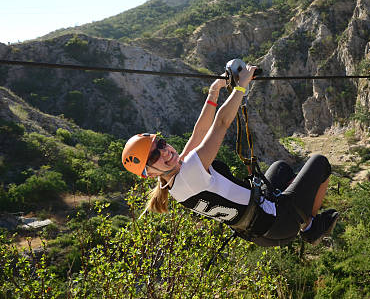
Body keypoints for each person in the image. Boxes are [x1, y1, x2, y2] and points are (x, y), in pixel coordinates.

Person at [121, 63, 338, 246]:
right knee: (320, 163)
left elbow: (200, 132)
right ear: (148, 174)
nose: (163, 151)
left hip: (259, 230)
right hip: (277, 223)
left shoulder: (176, 178)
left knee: (281, 168)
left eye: (160, 143)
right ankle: (310, 227)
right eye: (153, 158)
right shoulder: (189, 174)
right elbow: (221, 124)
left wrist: (214, 91)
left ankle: (295, 209)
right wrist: (241, 86)